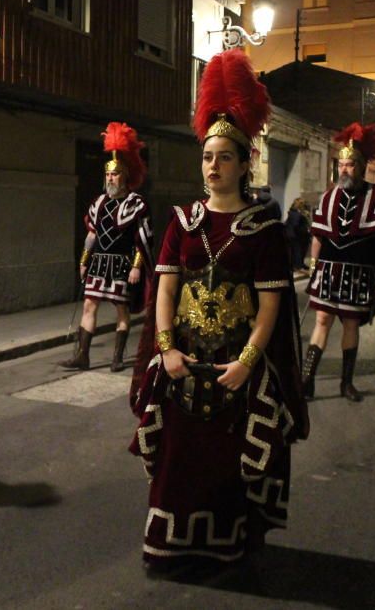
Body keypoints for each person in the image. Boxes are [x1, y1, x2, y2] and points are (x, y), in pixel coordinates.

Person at [128, 49, 307, 573]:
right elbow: (163, 293)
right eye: (207, 156)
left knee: (226, 468)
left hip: (235, 370)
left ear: (245, 161)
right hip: (182, 365)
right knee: (177, 466)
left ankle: (226, 548)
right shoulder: (181, 222)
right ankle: (171, 548)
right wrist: (166, 351)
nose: (213, 166)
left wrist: (248, 363)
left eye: (225, 156)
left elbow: (271, 303)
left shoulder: (265, 229)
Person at [302, 123, 375, 402]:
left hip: (359, 273)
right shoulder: (328, 197)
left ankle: (346, 382)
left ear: (363, 166)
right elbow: (318, 238)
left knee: (351, 325)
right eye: (341, 164)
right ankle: (307, 380)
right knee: (321, 320)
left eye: (350, 165)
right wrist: (312, 268)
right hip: (328, 272)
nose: (344, 169)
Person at [61, 123, 153, 372]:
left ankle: (118, 357)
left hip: (122, 263)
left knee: (121, 311)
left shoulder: (136, 203)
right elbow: (92, 235)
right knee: (89, 305)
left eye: (116, 174)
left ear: (126, 175)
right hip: (99, 262)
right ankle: (83, 356)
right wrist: (83, 260)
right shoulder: (98, 203)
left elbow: (141, 238)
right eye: (108, 174)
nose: (111, 178)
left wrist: (137, 267)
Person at [285, 198, 311, 271]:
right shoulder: (297, 214)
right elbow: (296, 225)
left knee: (300, 251)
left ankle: (300, 265)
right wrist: (306, 231)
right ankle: (299, 266)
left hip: (297, 235)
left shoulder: (294, 212)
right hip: (298, 236)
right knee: (298, 251)